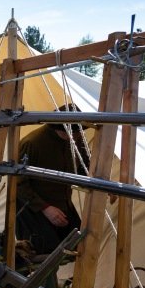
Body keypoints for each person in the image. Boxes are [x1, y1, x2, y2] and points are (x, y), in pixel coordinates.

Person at [16, 104, 90, 255]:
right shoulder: (32, 143)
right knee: (43, 255)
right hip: (34, 211)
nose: (74, 136)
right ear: (57, 128)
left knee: (79, 246)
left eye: (77, 132)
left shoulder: (75, 140)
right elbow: (18, 184)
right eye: (71, 132)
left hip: (63, 206)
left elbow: (85, 166)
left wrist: (104, 186)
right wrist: (45, 208)